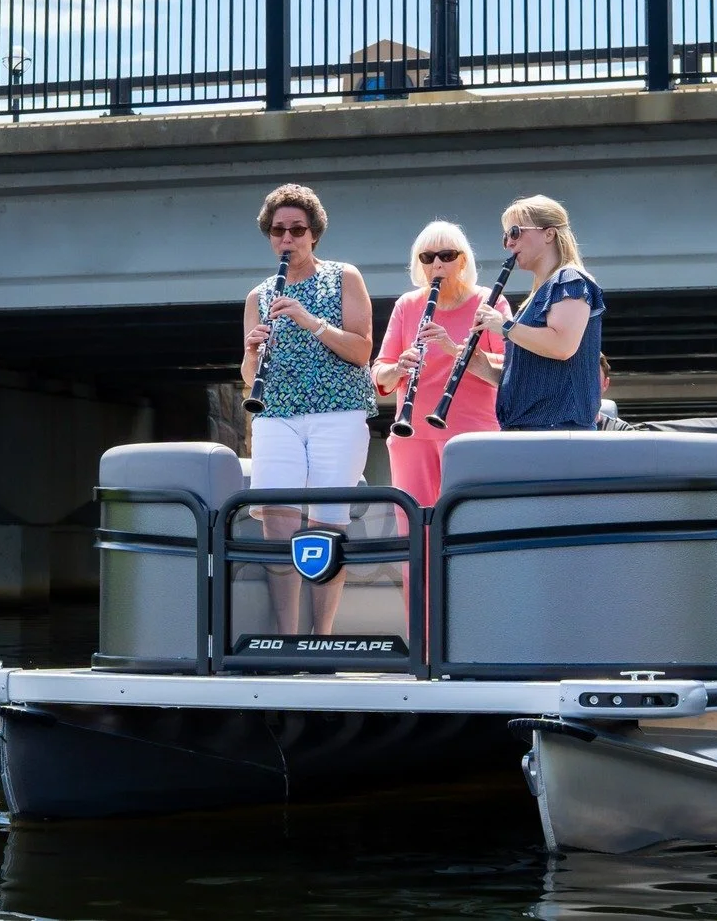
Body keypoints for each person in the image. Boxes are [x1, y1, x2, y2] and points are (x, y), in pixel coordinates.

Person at [240, 182, 375, 635]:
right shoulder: (257, 296)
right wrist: (253, 352)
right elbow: (247, 375)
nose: (287, 239)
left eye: (297, 229)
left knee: (325, 523)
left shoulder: (344, 277)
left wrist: (309, 320)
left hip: (337, 413)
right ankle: (286, 637)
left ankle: (322, 638)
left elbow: (361, 351)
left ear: (313, 233)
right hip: (276, 414)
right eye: (278, 230)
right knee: (276, 523)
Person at [372, 220, 511, 508]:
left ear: (462, 261)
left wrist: (454, 349)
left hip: (473, 433)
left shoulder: (489, 302)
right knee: (414, 523)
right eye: (427, 257)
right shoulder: (407, 305)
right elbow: (379, 373)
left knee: (473, 519)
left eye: (446, 256)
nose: (437, 264)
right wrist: (399, 368)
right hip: (412, 434)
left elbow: (511, 366)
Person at [468, 195, 605, 430]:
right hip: (531, 431)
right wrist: (484, 368)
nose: (508, 243)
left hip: (558, 432)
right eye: (505, 236)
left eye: (515, 232)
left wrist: (505, 326)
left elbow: (562, 346)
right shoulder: (537, 295)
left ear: (549, 234)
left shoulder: (569, 280)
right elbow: (537, 377)